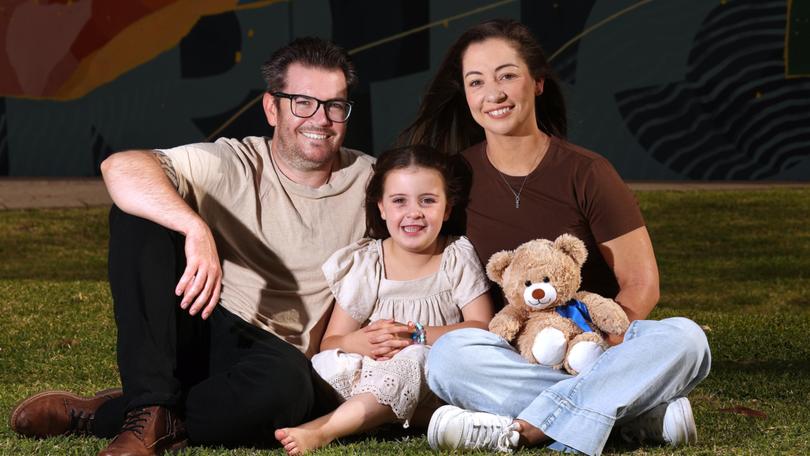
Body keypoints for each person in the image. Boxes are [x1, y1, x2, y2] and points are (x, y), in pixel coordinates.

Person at [9, 37, 375, 455]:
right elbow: (120, 166)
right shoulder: (233, 162)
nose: (321, 119)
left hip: (272, 359)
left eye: (334, 105)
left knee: (288, 389)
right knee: (135, 214)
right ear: (272, 108)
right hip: (200, 318)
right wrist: (194, 228)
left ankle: (122, 415)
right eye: (303, 102)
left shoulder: (372, 183)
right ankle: (150, 403)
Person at [399, 19, 711, 455]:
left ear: (538, 83)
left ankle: (531, 430)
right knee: (451, 356)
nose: (494, 93)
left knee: (686, 339)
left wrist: (601, 340)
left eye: (507, 75)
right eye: (477, 81)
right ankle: (632, 415)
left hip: (597, 350)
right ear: (466, 94)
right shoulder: (456, 177)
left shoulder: (588, 172)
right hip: (517, 355)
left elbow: (642, 283)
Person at [273, 145, 494, 455]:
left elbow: (483, 327)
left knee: (414, 357)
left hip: (429, 372)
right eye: (399, 201)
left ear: (446, 209)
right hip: (373, 369)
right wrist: (360, 342)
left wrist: (416, 335)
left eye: (428, 201)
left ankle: (326, 428)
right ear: (381, 208)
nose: (413, 213)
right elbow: (330, 341)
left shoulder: (455, 255)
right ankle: (409, 417)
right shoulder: (368, 262)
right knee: (324, 364)